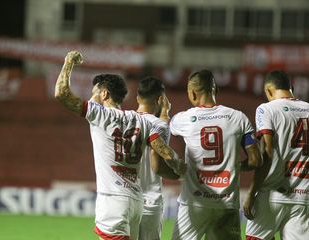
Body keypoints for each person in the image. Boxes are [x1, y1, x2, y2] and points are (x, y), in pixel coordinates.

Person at [54, 51, 186, 240]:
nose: (91, 98)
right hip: (135, 201)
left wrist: (68, 62)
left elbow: (62, 93)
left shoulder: (101, 116)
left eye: (94, 94)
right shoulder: (141, 121)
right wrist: (178, 166)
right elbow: (164, 151)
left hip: (112, 200)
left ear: (104, 94)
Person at [169, 70, 262, 240]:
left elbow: (165, 128)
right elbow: (256, 160)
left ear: (192, 92)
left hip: (194, 203)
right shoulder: (238, 118)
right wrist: (236, 165)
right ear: (216, 90)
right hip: (227, 203)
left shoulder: (183, 119)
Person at [244, 70, 309, 240]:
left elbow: (266, 151)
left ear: (269, 91)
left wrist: (251, 193)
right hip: (303, 197)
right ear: (291, 88)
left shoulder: (267, 109)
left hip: (272, 194)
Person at [136, 77, 180, 240]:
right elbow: (158, 165)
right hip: (150, 201)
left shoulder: (125, 120)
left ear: (138, 98)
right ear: (160, 99)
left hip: (127, 199)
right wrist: (181, 175)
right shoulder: (159, 126)